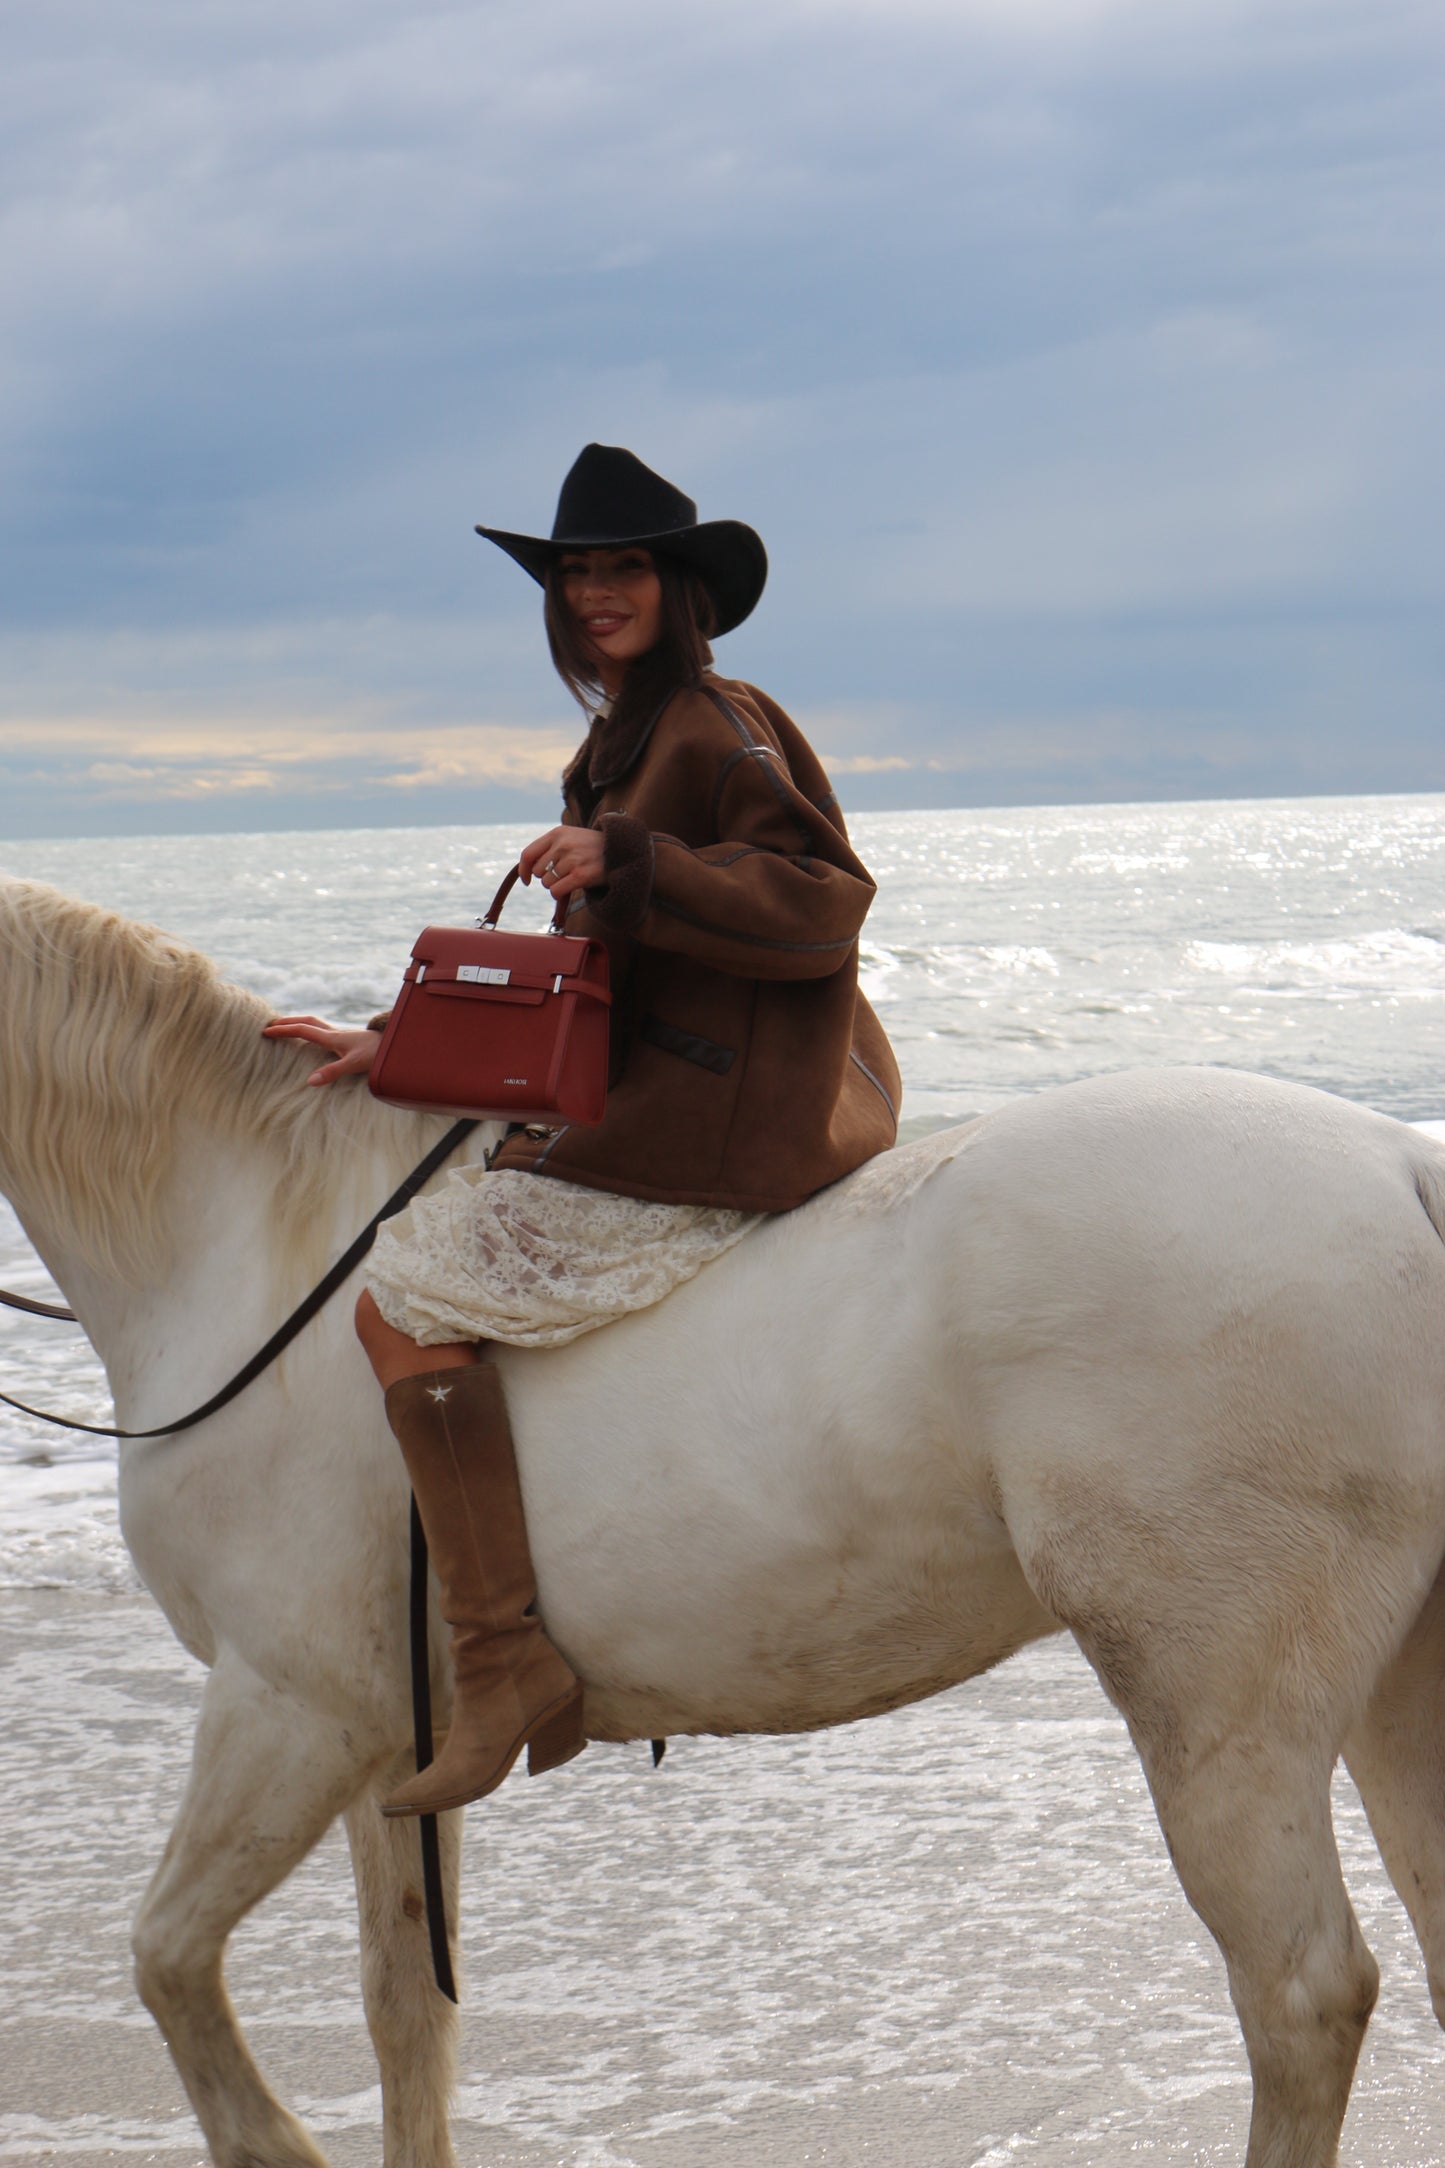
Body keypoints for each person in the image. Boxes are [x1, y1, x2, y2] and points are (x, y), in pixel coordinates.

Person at [263, 444, 901, 1818]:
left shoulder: (716, 723)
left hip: (727, 1112)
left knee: (402, 1311)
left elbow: (824, 896)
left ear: (679, 586)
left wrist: (633, 858)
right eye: (575, 573)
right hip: (678, 1080)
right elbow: (587, 991)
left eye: (623, 569)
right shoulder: (618, 738)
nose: (596, 593)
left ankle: (502, 1663)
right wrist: (400, 1048)